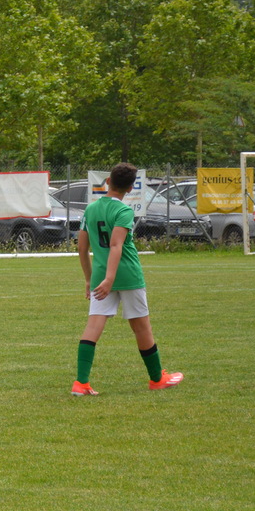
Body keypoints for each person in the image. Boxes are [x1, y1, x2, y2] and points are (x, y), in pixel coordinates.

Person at [73, 162, 183, 395]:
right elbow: (116, 245)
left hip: (100, 276)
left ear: (108, 181)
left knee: (93, 327)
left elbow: (82, 248)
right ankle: (157, 379)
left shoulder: (90, 209)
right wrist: (110, 279)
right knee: (141, 327)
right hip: (127, 275)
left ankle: (81, 383)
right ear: (131, 188)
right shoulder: (124, 211)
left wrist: (90, 279)